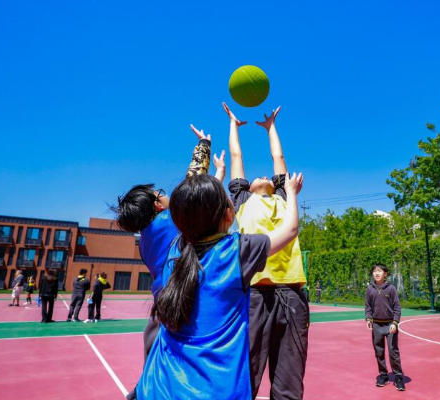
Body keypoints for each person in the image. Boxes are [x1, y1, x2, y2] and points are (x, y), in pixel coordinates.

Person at [137, 172, 302, 400]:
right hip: (216, 390)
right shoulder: (236, 250)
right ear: (228, 214)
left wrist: (215, 174)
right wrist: (291, 192)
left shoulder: (173, 253)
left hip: (160, 386)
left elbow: (195, 210)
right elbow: (290, 230)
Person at [112, 126, 225, 400]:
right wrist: (203, 146)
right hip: (178, 310)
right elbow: (193, 181)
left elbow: (200, 196)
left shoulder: (148, 239)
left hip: (161, 311)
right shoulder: (169, 220)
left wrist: (217, 178)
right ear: (158, 206)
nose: (165, 193)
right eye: (160, 193)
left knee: (154, 374)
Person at [224, 103, 309, 400]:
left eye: (268, 177)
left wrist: (271, 126)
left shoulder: (287, 197)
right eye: (255, 177)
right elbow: (236, 156)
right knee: (247, 375)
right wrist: (234, 126)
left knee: (289, 382)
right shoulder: (242, 200)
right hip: (256, 295)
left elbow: (279, 158)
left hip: (293, 294)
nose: (261, 175)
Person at [365, 263, 406, 391]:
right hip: (376, 325)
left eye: (380, 271)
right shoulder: (370, 289)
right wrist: (368, 318)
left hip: (390, 326)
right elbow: (368, 307)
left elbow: (397, 307)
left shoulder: (391, 289)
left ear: (385, 274)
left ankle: (398, 377)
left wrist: (395, 322)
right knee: (379, 352)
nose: (377, 273)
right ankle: (383, 375)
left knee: (393, 352)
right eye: (375, 271)